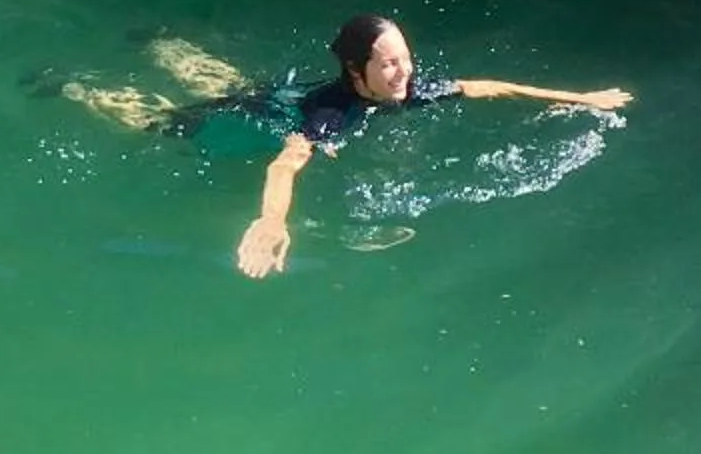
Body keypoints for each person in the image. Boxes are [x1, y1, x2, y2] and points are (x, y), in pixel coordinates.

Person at [232, 14, 628, 278]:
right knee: (212, 99)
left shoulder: (407, 89)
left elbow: (485, 86)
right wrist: (271, 221)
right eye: (388, 64)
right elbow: (284, 165)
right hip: (269, 108)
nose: (404, 72)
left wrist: (581, 98)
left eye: (405, 59)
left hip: (293, 96)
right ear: (356, 70)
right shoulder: (330, 116)